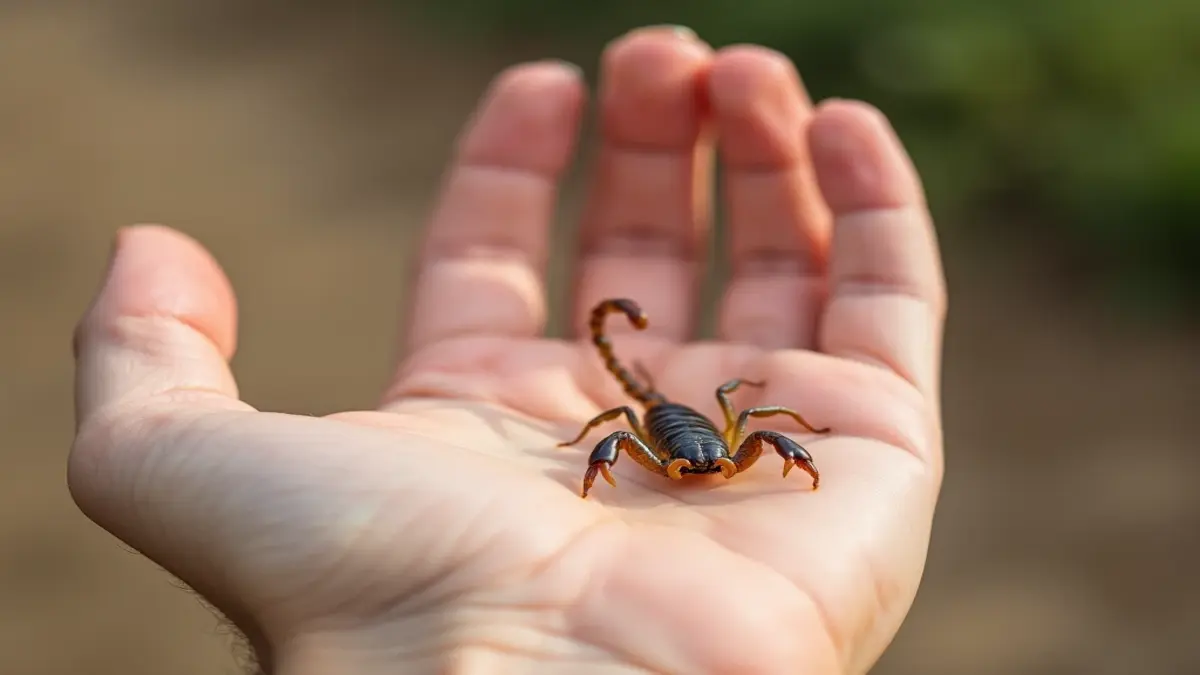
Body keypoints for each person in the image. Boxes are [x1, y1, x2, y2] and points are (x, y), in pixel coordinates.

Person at [68, 25, 947, 675]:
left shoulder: (726, 440)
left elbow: (754, 419)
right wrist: (590, 459)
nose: (709, 465)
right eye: (699, 462)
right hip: (655, 412)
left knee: (731, 411)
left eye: (720, 456)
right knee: (626, 416)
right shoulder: (653, 443)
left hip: (682, 411)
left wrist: (786, 436)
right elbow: (616, 426)